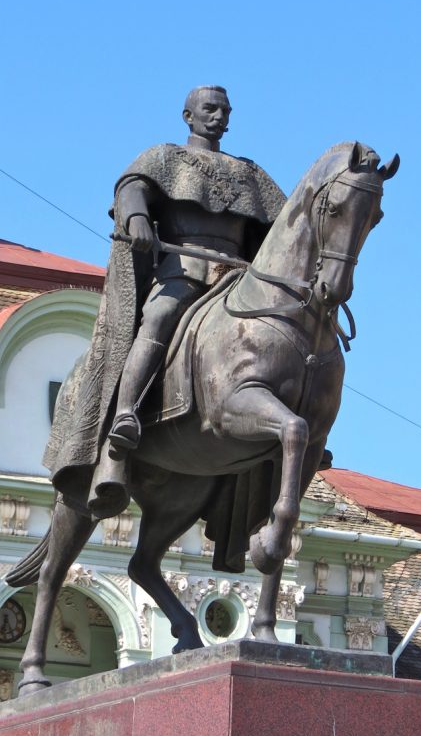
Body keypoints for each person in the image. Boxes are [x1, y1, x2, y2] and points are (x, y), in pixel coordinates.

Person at [44, 86, 286, 518]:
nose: (218, 117)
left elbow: (285, 224)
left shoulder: (251, 174)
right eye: (209, 109)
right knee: (158, 316)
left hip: (237, 277)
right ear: (188, 115)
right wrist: (136, 217)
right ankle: (126, 415)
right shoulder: (164, 158)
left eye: (225, 111)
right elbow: (132, 186)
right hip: (184, 268)